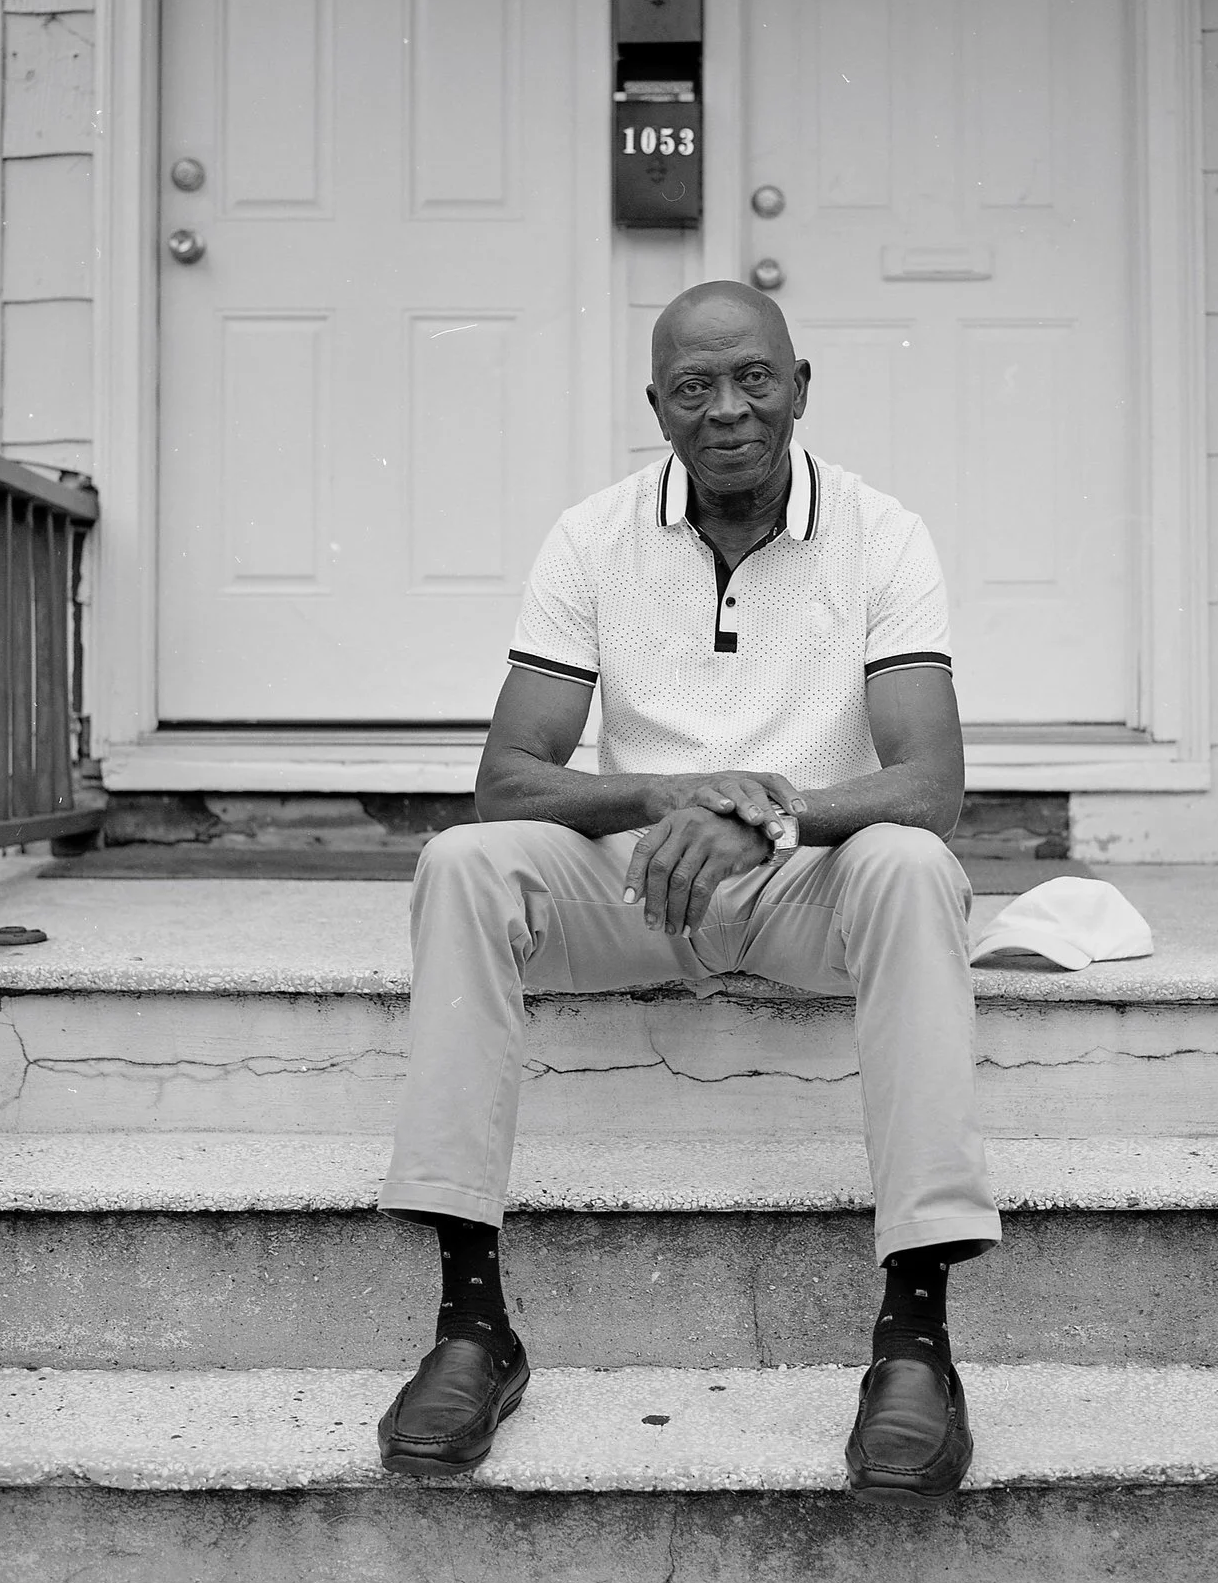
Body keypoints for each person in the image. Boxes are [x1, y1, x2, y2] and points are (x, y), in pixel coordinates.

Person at [374, 279, 997, 1501]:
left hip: (811, 878)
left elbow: (929, 785)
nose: (728, 410)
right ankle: (471, 1326)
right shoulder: (591, 536)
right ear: (655, 405)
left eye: (754, 378)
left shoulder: (886, 533)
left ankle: (915, 1340)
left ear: (801, 385)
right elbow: (509, 775)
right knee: (460, 861)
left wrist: (767, 815)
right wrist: (677, 798)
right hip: (642, 885)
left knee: (915, 865)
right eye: (695, 387)